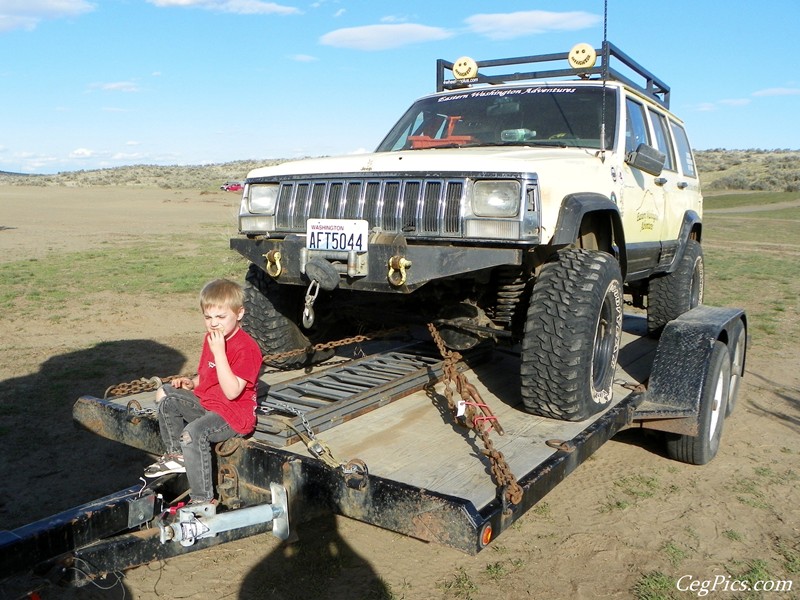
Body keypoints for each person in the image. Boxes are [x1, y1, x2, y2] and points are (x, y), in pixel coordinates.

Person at [144, 279, 263, 506]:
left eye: (221, 317)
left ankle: (202, 501)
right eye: (208, 318)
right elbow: (207, 376)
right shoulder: (211, 339)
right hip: (209, 404)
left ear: (239, 314)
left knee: (193, 433)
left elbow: (231, 392)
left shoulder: (246, 348)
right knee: (166, 396)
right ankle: (176, 455)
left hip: (233, 415)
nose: (214, 324)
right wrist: (191, 383)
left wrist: (219, 352)